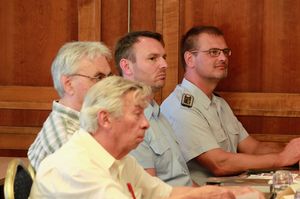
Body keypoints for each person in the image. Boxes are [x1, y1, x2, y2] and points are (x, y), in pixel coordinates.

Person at [29, 76, 263, 199]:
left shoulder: (120, 159)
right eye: (137, 114)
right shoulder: (75, 167)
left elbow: (164, 194)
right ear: (105, 119)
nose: (145, 123)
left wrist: (223, 193)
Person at [161, 25, 300, 184]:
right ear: (189, 59)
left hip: (236, 187)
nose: (223, 58)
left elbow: (254, 148)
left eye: (225, 52)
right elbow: (219, 164)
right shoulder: (180, 107)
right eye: (213, 52)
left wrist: (293, 150)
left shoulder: (218, 103)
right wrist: (281, 159)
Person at [114, 31, 194, 186]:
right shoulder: (125, 120)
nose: (164, 65)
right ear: (126, 66)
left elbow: (184, 181)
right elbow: (147, 192)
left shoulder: (157, 113)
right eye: (153, 58)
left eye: (164, 57)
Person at [27, 41, 112, 170]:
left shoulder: (87, 121)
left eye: (109, 77)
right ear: (68, 84)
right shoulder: (66, 137)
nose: (108, 85)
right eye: (99, 77)